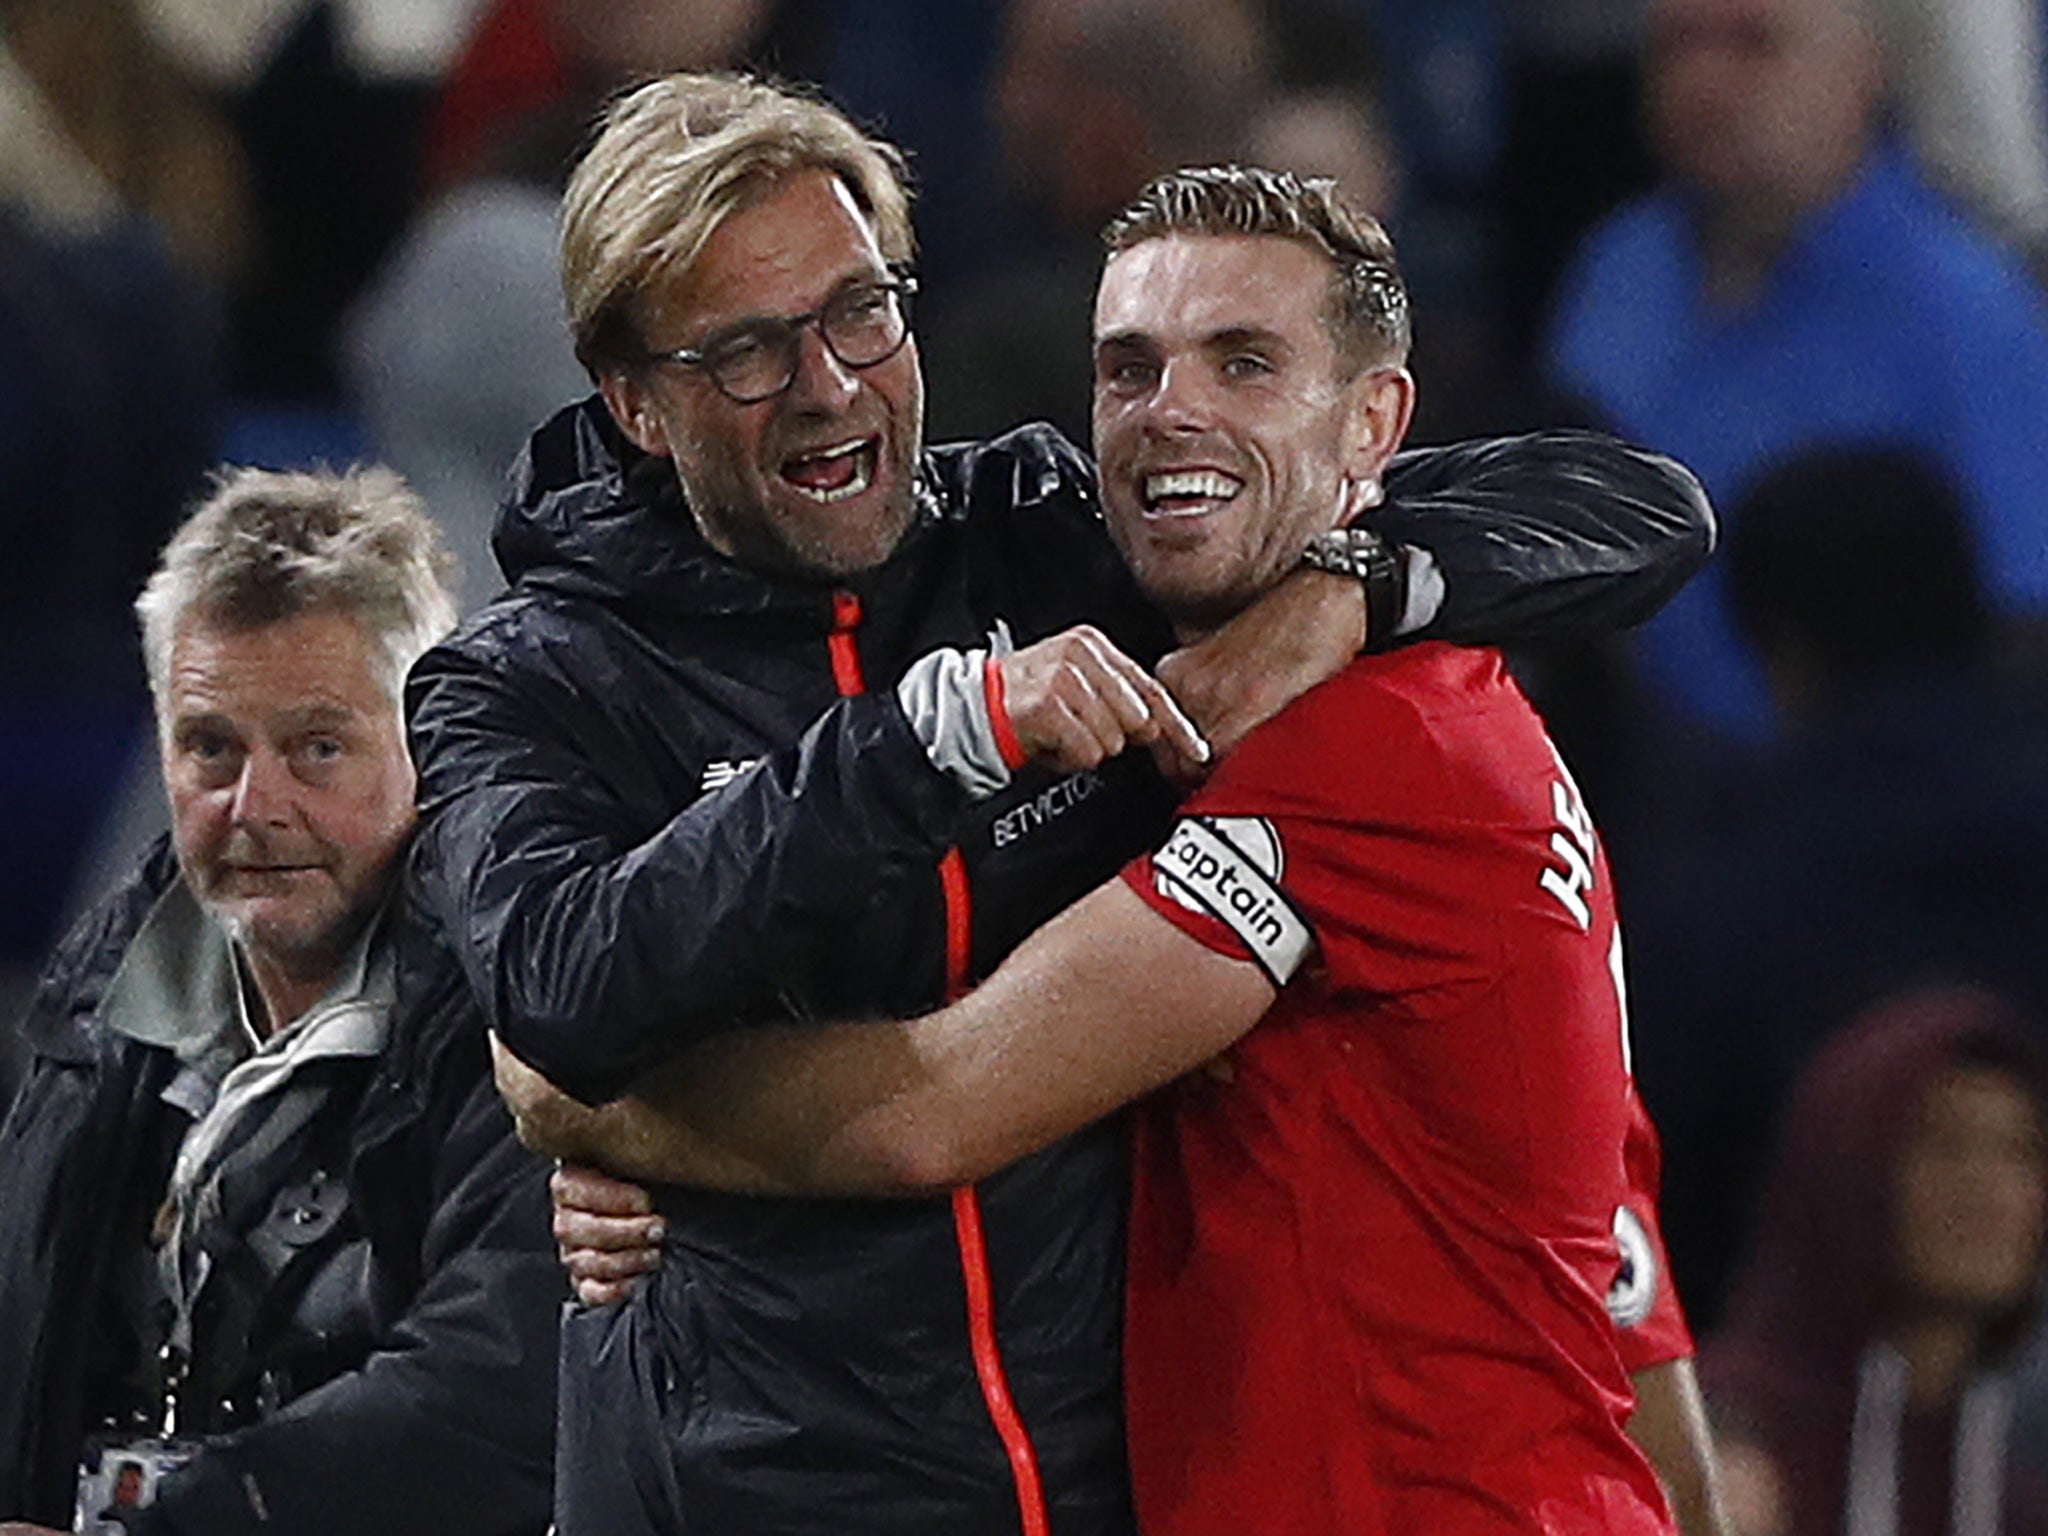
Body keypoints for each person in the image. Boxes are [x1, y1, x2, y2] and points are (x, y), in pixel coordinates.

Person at [406, 72, 1714, 1536]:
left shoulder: (1050, 538)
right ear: (638, 401)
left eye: (860, 309)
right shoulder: (518, 686)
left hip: (1119, 1491)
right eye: (750, 352)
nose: (832, 382)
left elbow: (1639, 509)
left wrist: (1358, 583)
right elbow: (562, 990)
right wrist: (927, 743)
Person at [0, 467, 560, 1535]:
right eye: (212, 748)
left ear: (427, 745)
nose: (257, 808)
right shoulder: (99, 994)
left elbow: (491, 1402)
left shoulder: (521, 1001)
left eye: (317, 749)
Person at [1545, 0, 2048, 738]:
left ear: (1864, 71)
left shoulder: (1968, 308)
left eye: (1756, 45)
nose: (1705, 83)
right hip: (1624, 779)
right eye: (1678, 45)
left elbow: (2024, 622)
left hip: (1879, 800)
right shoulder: (1615, 273)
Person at [1700, 985, 2048, 1536]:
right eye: (1944, 1145)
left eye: (2021, 1151)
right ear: (1850, 1168)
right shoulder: (1723, 1452)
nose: (1990, 1192)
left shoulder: (2019, 1494)